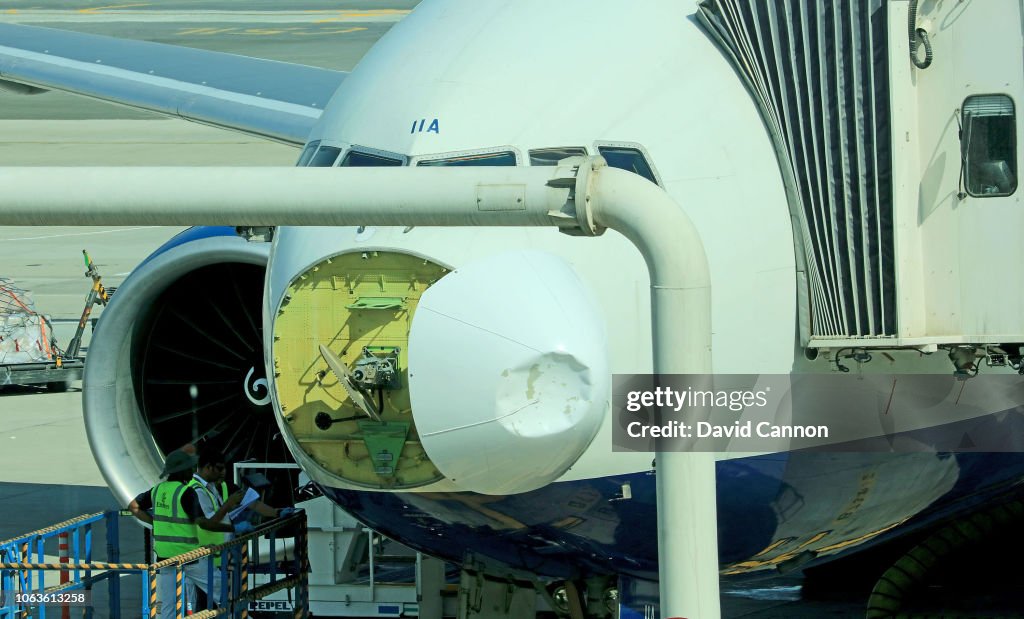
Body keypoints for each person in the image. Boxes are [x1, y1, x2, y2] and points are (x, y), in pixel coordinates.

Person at [127, 449, 248, 619]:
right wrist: (234, 528)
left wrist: (154, 522)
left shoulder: (157, 490)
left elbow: (133, 506)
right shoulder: (186, 492)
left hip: (165, 559)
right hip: (190, 557)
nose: (192, 470)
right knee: (223, 591)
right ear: (181, 470)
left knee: (169, 607)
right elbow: (204, 523)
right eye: (189, 467)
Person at [188, 448, 295, 609]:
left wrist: (277, 512)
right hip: (204, 557)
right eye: (219, 468)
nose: (223, 472)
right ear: (208, 467)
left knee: (223, 602)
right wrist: (231, 514)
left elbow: (252, 502)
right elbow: (208, 522)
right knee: (204, 605)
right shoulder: (195, 490)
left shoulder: (218, 486)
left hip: (223, 556)